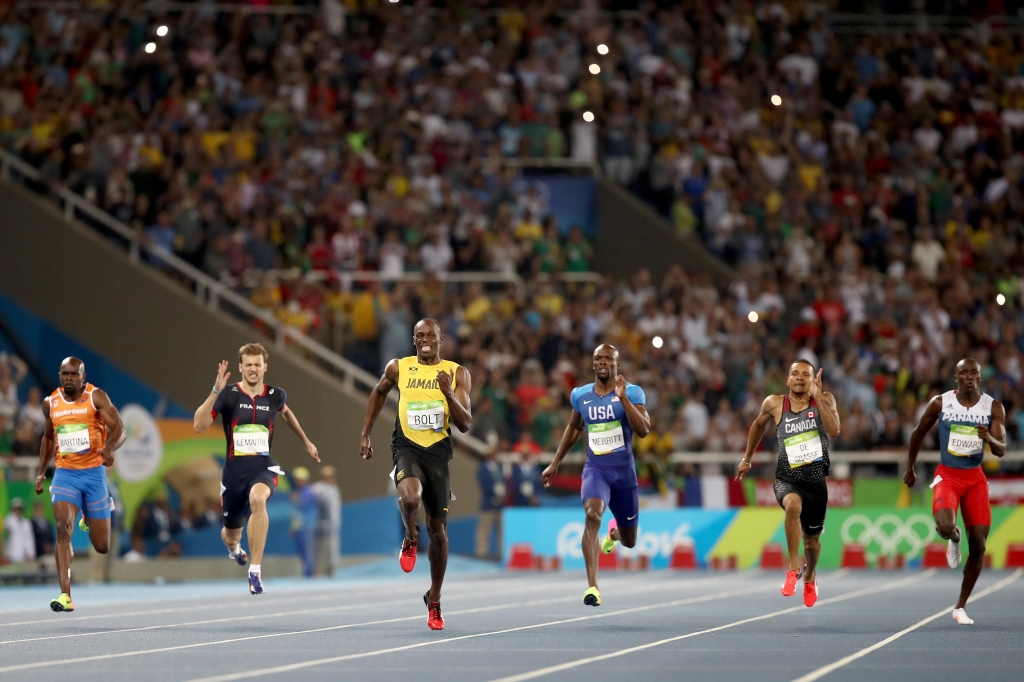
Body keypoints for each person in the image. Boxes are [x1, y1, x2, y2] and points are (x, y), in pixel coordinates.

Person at [360, 318, 473, 630]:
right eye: (420, 335)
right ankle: (410, 536)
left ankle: (434, 599)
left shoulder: (456, 372)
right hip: (406, 448)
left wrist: (448, 393)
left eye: (431, 336)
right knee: (410, 498)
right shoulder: (399, 367)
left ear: (440, 339)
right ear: (413, 339)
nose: (425, 340)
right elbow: (378, 392)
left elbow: (465, 424)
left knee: (439, 531)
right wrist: (366, 433)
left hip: (438, 454)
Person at [193, 343, 320, 595]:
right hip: (234, 475)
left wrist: (306, 442)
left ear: (265, 367)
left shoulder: (275, 395)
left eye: (257, 365)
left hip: (263, 467)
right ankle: (235, 549)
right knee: (230, 535)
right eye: (248, 365)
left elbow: (286, 414)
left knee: (258, 500)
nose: (253, 369)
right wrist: (214, 391)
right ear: (240, 367)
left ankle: (255, 570)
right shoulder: (228, 395)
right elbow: (199, 426)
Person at [541, 344, 650, 607]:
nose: (603, 362)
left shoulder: (633, 392)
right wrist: (555, 463)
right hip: (596, 469)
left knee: (630, 540)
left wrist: (623, 398)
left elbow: (645, 430)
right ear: (592, 364)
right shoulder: (580, 395)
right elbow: (574, 428)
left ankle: (613, 534)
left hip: (624, 474)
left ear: (617, 365)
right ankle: (592, 587)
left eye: (608, 359)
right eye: (598, 358)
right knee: (592, 514)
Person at [904, 358, 1007, 625]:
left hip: (975, 478)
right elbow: (918, 433)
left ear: (981, 378)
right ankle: (954, 537)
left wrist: (989, 438)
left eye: (974, 372)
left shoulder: (993, 407)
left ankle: (960, 606)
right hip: (948, 475)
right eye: (964, 373)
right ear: (956, 378)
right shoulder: (940, 403)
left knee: (980, 546)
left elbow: (1001, 449)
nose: (970, 377)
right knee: (946, 526)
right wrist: (910, 468)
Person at [736, 361, 841, 608]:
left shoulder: (825, 399)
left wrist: (819, 398)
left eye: (806, 375)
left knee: (812, 543)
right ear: (787, 379)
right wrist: (747, 458)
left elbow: (835, 430)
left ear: (814, 379)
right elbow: (758, 425)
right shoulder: (774, 403)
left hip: (816, 483)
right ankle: (793, 567)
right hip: (786, 479)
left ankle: (810, 575)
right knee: (792, 506)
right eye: (795, 374)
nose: (800, 378)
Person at [34, 357, 125, 611]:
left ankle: (87, 513)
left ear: (83, 376)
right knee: (63, 529)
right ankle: (66, 595)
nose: (69, 378)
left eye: (74, 374)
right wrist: (41, 472)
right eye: (65, 374)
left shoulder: (96, 398)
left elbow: (121, 429)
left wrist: (109, 447)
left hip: (94, 475)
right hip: (66, 474)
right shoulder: (50, 403)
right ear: (59, 374)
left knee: (102, 546)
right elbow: (48, 438)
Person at [476, 450, 506, 558]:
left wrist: (503, 495)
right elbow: (484, 485)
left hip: (500, 504)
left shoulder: (499, 467)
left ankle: (502, 552)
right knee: (484, 530)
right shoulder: (483, 469)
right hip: (489, 503)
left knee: (501, 530)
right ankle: (482, 553)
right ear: (489, 455)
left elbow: (503, 482)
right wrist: (494, 495)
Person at [312, 465, 342, 576]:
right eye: (328, 476)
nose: (330, 478)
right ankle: (317, 571)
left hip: (333, 525)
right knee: (320, 549)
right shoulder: (319, 489)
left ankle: (330, 570)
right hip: (322, 525)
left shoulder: (334, 489)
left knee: (332, 549)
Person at [290, 467, 317, 578]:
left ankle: (309, 573)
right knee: (301, 551)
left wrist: (296, 499)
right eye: (296, 479)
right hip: (300, 527)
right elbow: (296, 513)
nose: (297, 481)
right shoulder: (298, 492)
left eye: (300, 479)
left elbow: (303, 504)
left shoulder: (308, 492)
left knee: (307, 550)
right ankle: (306, 572)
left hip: (307, 526)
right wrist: (294, 528)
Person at [3, 498, 35, 564]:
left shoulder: (26, 523)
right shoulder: (9, 520)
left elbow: (29, 539)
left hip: (23, 556)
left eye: (20, 509)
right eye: (16, 509)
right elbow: (8, 525)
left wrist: (31, 553)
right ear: (12, 509)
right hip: (10, 555)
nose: (18, 511)